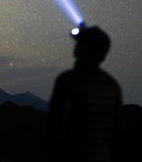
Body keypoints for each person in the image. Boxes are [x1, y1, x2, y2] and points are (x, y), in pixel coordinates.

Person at [44, 25, 122, 162]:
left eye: (80, 43)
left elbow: (55, 126)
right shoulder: (112, 85)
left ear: (86, 49)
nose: (76, 45)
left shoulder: (68, 80)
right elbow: (116, 131)